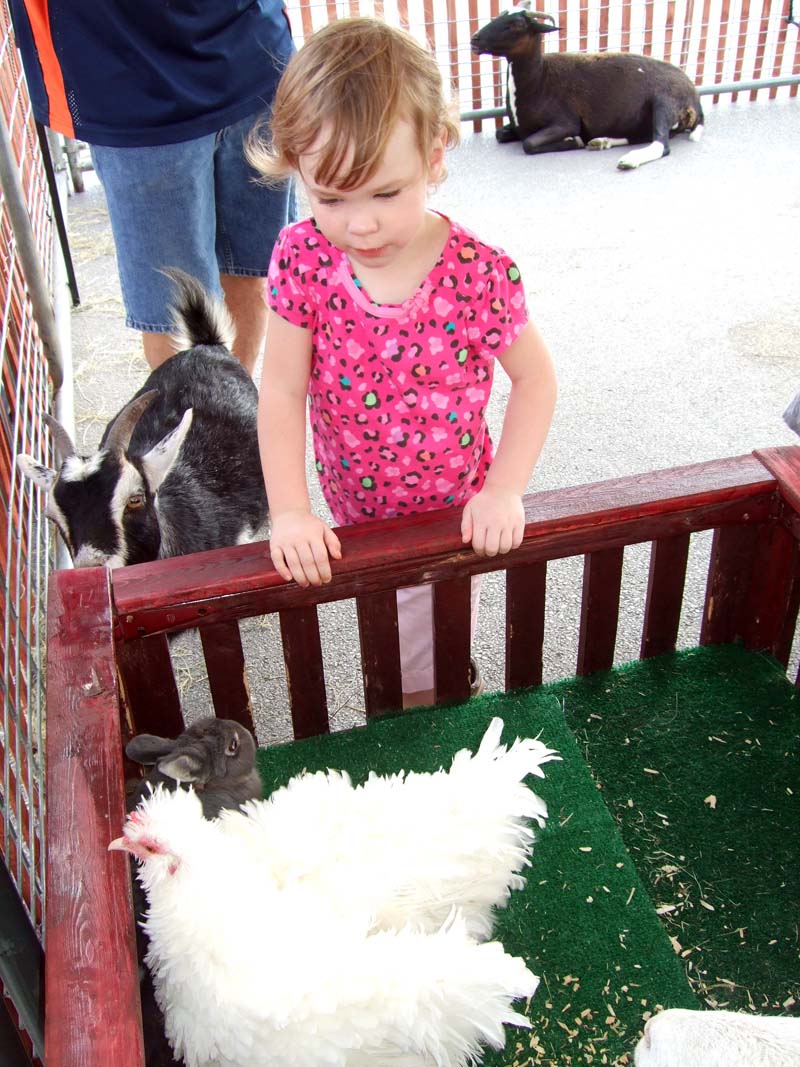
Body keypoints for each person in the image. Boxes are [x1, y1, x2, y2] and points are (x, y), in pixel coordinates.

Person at [250, 17, 557, 707]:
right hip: (355, 511)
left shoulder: (479, 271)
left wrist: (505, 488)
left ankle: (442, 697)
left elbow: (536, 378)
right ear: (295, 170)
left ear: (435, 153)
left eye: (385, 193)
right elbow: (280, 388)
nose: (359, 224)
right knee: (385, 628)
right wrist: (292, 511)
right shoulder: (303, 258)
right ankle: (410, 685)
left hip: (454, 515)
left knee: (429, 655)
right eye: (329, 196)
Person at [9, 0, 295, 373]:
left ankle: (233, 416)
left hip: (251, 53)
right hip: (131, 85)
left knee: (250, 272)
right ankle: (204, 427)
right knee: (178, 313)